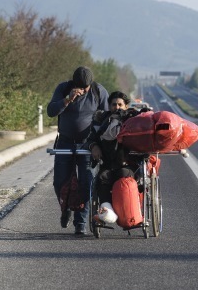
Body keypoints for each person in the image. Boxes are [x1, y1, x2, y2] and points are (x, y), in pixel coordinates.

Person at [47, 66, 109, 235]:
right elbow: (51, 111)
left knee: (87, 182)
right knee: (59, 181)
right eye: (80, 87)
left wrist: (98, 143)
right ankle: (65, 207)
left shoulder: (98, 91)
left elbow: (107, 118)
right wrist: (67, 100)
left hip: (88, 144)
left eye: (85, 88)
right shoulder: (63, 89)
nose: (83, 90)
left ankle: (80, 222)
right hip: (65, 141)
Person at [86, 91, 138, 221]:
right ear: (109, 106)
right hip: (108, 164)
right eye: (114, 104)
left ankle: (126, 212)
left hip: (127, 165)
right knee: (103, 177)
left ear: (126, 106)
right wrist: (94, 146)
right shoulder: (100, 121)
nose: (117, 107)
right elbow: (90, 138)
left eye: (120, 104)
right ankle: (108, 211)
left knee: (123, 175)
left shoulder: (134, 121)